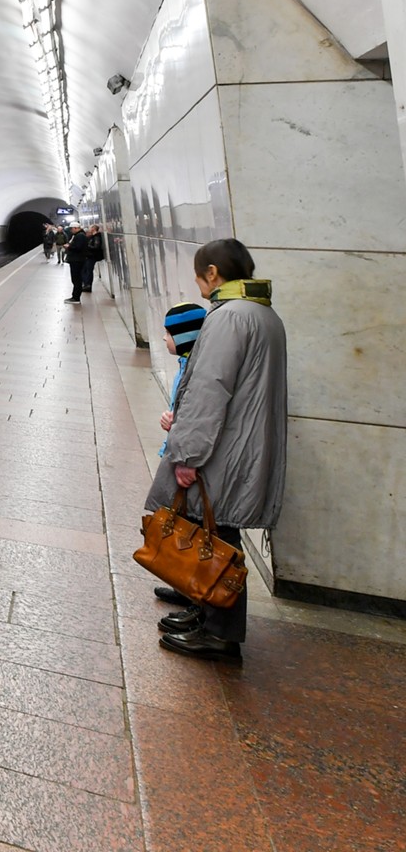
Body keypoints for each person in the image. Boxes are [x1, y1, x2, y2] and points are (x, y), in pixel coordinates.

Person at [144, 238, 287, 662]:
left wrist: (187, 455)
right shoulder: (262, 313)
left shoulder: (229, 318)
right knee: (211, 528)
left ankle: (220, 634)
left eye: (198, 278)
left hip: (224, 448)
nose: (200, 286)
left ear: (212, 273)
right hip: (241, 442)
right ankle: (203, 608)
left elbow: (209, 390)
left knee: (218, 534)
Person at [150, 301, 209, 609]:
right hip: (180, 449)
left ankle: (197, 598)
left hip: (190, 458)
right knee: (183, 522)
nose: (164, 338)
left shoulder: (198, 370)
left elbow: (200, 415)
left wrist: (185, 454)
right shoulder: (186, 365)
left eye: (168, 333)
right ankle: (184, 585)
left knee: (194, 527)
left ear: (185, 337)